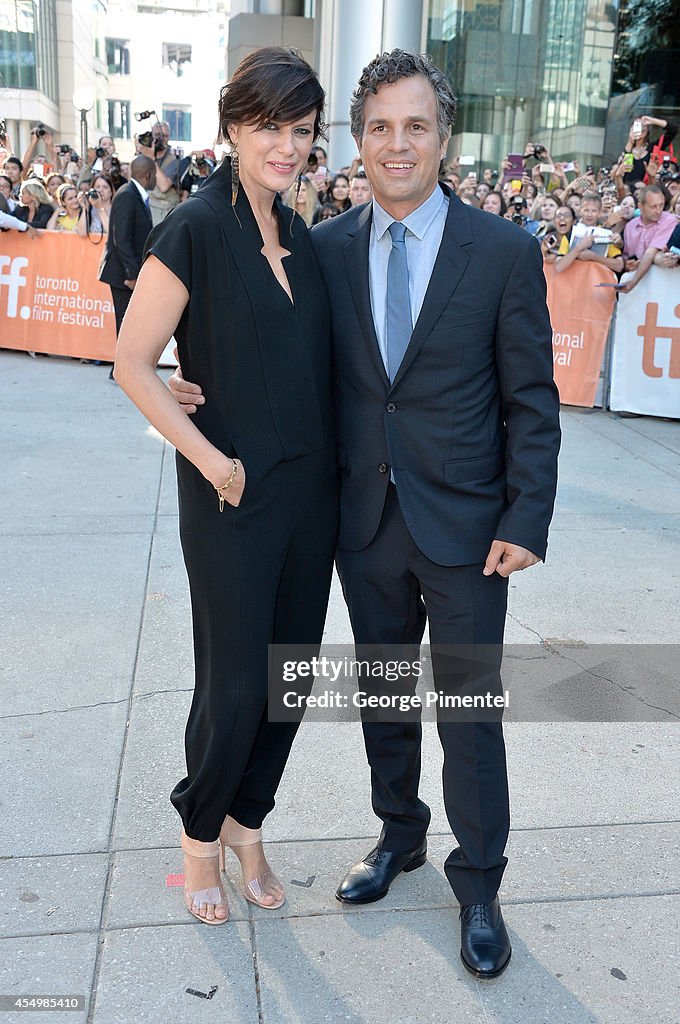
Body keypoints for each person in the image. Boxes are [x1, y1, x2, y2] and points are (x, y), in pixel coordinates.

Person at [170, 49, 560, 977]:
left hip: (470, 533)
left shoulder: (503, 252)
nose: (396, 145)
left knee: (468, 711)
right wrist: (191, 387)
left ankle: (479, 885)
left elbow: (533, 401)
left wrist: (525, 518)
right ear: (358, 138)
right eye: (379, 126)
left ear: (443, 136)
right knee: (386, 697)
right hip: (363, 523)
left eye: (415, 125)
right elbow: (263, 347)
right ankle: (399, 838)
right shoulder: (322, 245)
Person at [113, 48, 337, 926]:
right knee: (236, 685)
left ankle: (250, 825)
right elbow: (133, 363)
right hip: (230, 496)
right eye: (271, 127)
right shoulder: (195, 227)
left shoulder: (302, 237)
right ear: (234, 126)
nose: (287, 145)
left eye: (302, 130)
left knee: (292, 679)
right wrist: (210, 459)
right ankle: (199, 838)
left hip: (309, 497)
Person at [98, 156, 155, 378]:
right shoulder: (127, 196)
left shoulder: (135, 195)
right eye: (154, 174)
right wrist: (132, 273)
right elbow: (120, 238)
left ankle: (122, 368)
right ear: (148, 175)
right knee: (124, 320)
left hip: (129, 272)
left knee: (129, 321)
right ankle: (121, 370)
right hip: (122, 274)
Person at [135, 121, 181, 226]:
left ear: (169, 137)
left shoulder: (174, 158)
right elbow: (132, 180)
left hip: (163, 215)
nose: (161, 139)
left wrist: (151, 158)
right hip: (145, 212)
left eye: (164, 136)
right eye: (157, 135)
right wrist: (138, 153)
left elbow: (164, 186)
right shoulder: (143, 155)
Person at [77, 173, 114, 238]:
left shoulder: (117, 208)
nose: (100, 190)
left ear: (111, 192)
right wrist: (85, 208)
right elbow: (82, 233)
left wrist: (100, 208)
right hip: (92, 247)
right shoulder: (90, 207)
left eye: (105, 187)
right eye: (97, 187)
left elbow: (112, 233)